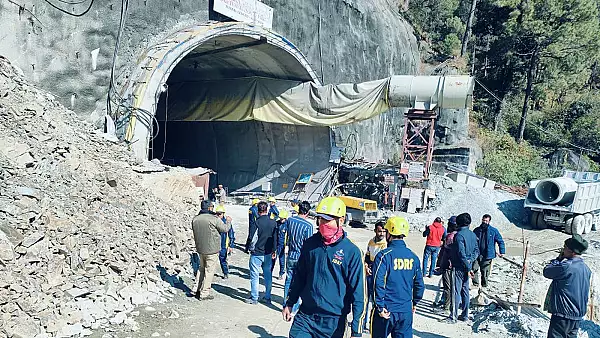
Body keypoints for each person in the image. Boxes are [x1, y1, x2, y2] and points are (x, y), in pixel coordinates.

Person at [282, 196, 365, 338]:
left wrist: (356, 330)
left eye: (328, 220)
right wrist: (290, 302)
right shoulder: (309, 244)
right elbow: (299, 277)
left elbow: (359, 293)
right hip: (306, 316)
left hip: (333, 321)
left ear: (341, 220)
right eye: (321, 219)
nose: (323, 224)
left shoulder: (352, 252)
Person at [371, 216, 425, 338]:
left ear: (389, 233)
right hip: (405, 310)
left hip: (386, 310)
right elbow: (420, 285)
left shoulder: (383, 256)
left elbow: (377, 283)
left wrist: (379, 307)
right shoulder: (414, 257)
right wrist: (414, 303)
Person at [543, 234, 591, 338]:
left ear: (572, 251)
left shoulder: (566, 266)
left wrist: (558, 260)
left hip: (563, 314)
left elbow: (547, 271)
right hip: (577, 315)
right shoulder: (586, 268)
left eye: (565, 248)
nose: (563, 250)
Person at [441, 212, 478, 324]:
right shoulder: (472, 235)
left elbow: (461, 253)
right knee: (465, 290)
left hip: (458, 267)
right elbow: (476, 251)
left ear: (458, 223)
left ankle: (453, 316)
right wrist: (470, 263)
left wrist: (467, 265)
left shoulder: (458, 236)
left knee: (455, 291)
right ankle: (465, 315)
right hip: (467, 266)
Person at [192, 200, 231, 300]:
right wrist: (229, 221)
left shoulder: (195, 219)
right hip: (212, 250)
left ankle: (195, 288)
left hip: (200, 249)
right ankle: (204, 293)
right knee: (209, 271)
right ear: (209, 208)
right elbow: (225, 229)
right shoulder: (214, 219)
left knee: (201, 269)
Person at [283, 201, 313, 314]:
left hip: (291, 254)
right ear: (308, 212)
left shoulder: (290, 220)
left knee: (288, 279)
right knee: (299, 282)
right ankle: (294, 306)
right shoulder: (308, 226)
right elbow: (308, 245)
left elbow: (287, 235)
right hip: (301, 257)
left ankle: (285, 303)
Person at [245, 201, 278, 304]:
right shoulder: (273, 222)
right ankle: (267, 296)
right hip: (268, 253)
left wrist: (248, 248)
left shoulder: (257, 223)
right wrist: (274, 250)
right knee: (268, 275)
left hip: (257, 253)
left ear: (258, 211)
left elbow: (251, 237)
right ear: (267, 210)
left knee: (255, 276)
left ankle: (254, 298)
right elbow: (276, 238)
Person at [363, 221, 388, 332]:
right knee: (365, 300)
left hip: (379, 274)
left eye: (383, 231)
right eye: (379, 231)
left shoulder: (386, 244)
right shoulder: (371, 242)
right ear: (375, 231)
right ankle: (362, 323)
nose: (382, 233)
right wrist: (366, 266)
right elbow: (367, 257)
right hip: (370, 273)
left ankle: (372, 324)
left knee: (376, 301)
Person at [472, 214, 506, 288]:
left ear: (489, 221)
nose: (484, 222)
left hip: (487, 255)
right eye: (483, 220)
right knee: (474, 268)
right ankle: (475, 284)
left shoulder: (493, 231)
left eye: (486, 221)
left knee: (485, 272)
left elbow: (500, 241)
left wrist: (502, 251)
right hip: (477, 254)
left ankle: (484, 285)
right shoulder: (476, 230)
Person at [434, 216, 458, 312]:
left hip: (448, 266)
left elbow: (445, 254)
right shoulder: (460, 235)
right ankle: (447, 303)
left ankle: (446, 306)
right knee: (452, 286)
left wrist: (441, 266)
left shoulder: (450, 237)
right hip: (456, 266)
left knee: (448, 287)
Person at [215, 205, 235, 279]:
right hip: (214, 245)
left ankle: (225, 273)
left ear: (223, 214)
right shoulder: (214, 221)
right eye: (217, 213)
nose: (218, 215)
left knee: (223, 260)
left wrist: (231, 245)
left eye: (220, 214)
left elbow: (231, 234)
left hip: (223, 245)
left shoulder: (227, 222)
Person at [271, 209, 289, 280]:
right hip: (276, 245)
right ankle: (270, 272)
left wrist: (287, 245)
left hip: (283, 246)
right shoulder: (277, 223)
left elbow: (289, 236)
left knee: (282, 261)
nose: (281, 220)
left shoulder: (287, 225)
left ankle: (281, 273)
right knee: (273, 260)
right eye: (280, 219)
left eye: (282, 219)